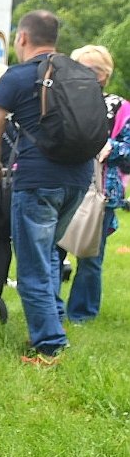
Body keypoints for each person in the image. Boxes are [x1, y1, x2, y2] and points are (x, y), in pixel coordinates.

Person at [0, 11, 94, 364]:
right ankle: (53, 319)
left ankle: (49, 344)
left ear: (23, 38)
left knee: (32, 265)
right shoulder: (80, 73)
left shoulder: (17, 76)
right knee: (49, 254)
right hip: (78, 179)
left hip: (37, 180)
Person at [64, 45, 127, 323]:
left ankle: (82, 314)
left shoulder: (120, 108)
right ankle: (52, 310)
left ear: (103, 74)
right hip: (62, 184)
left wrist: (110, 147)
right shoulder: (62, 101)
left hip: (100, 193)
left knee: (90, 256)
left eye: (88, 69)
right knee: (53, 252)